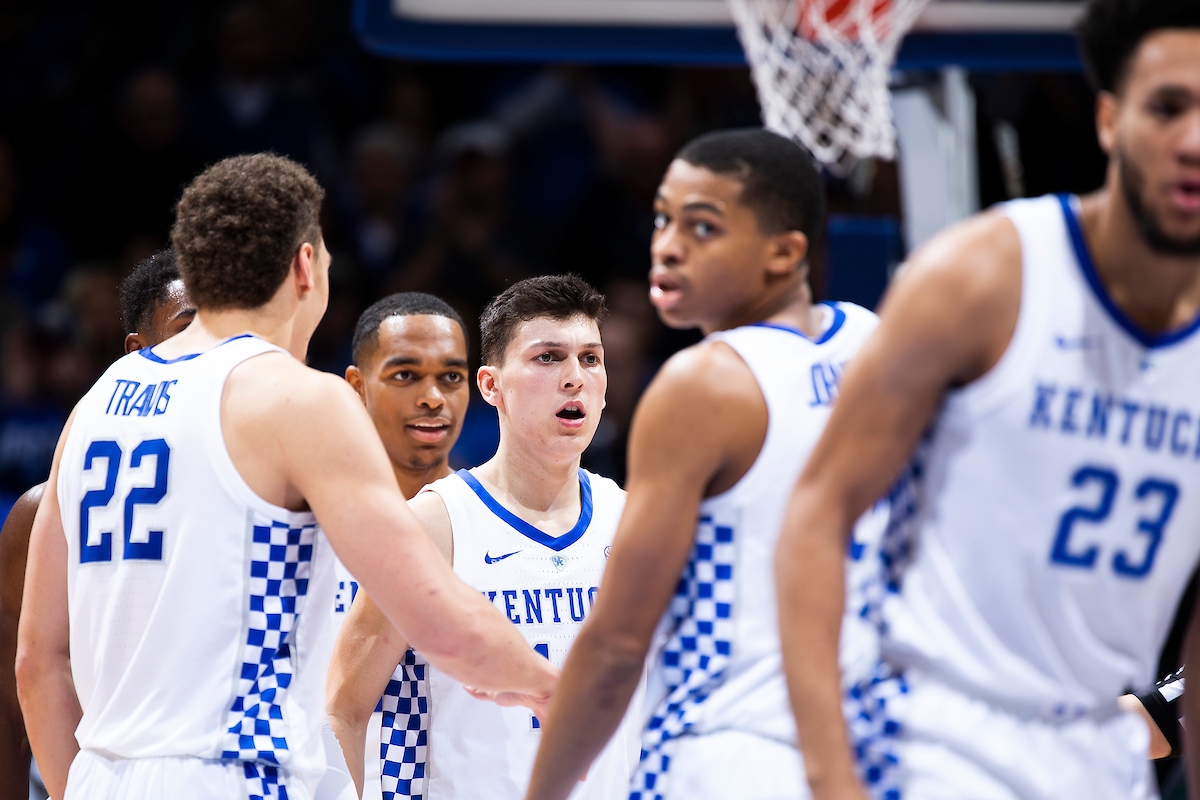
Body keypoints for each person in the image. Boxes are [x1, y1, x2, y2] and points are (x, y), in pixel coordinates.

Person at [15, 153, 557, 800]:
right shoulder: (298, 398)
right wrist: (556, 691)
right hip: (233, 777)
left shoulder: (94, 404)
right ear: (305, 266)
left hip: (100, 776)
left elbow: (38, 663)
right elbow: (434, 612)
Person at [774, 2, 1200, 799]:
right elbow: (817, 517)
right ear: (1109, 121)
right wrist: (831, 774)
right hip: (931, 746)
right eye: (1168, 106)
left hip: (1098, 763)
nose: (1193, 139)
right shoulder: (983, 277)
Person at [523, 129, 880, 800]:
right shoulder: (868, 340)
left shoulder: (702, 384)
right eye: (663, 218)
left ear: (785, 252)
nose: (668, 244)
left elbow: (618, 644)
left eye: (704, 226)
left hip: (727, 751)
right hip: (864, 749)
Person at [328, 274, 641, 800]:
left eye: (590, 359)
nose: (575, 377)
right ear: (491, 386)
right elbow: (344, 708)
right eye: (548, 357)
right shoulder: (433, 524)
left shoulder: (631, 518)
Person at [0, 248, 195, 800]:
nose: (211, 354)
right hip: (90, 775)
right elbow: (10, 707)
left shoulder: (258, 492)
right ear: (136, 352)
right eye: (188, 332)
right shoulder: (41, 514)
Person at [316, 291, 471, 800]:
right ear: (357, 387)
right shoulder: (301, 524)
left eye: (451, 377)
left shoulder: (486, 524)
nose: (433, 398)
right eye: (406, 375)